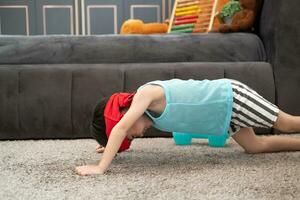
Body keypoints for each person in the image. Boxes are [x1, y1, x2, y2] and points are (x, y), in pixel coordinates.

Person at [75, 78, 300, 176]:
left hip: (231, 98)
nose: (135, 136)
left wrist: (100, 167)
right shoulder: (151, 118)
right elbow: (121, 129)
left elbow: (122, 128)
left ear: (122, 114)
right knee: (255, 146)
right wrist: (110, 148)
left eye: (129, 136)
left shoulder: (146, 94)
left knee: (287, 123)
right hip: (223, 118)